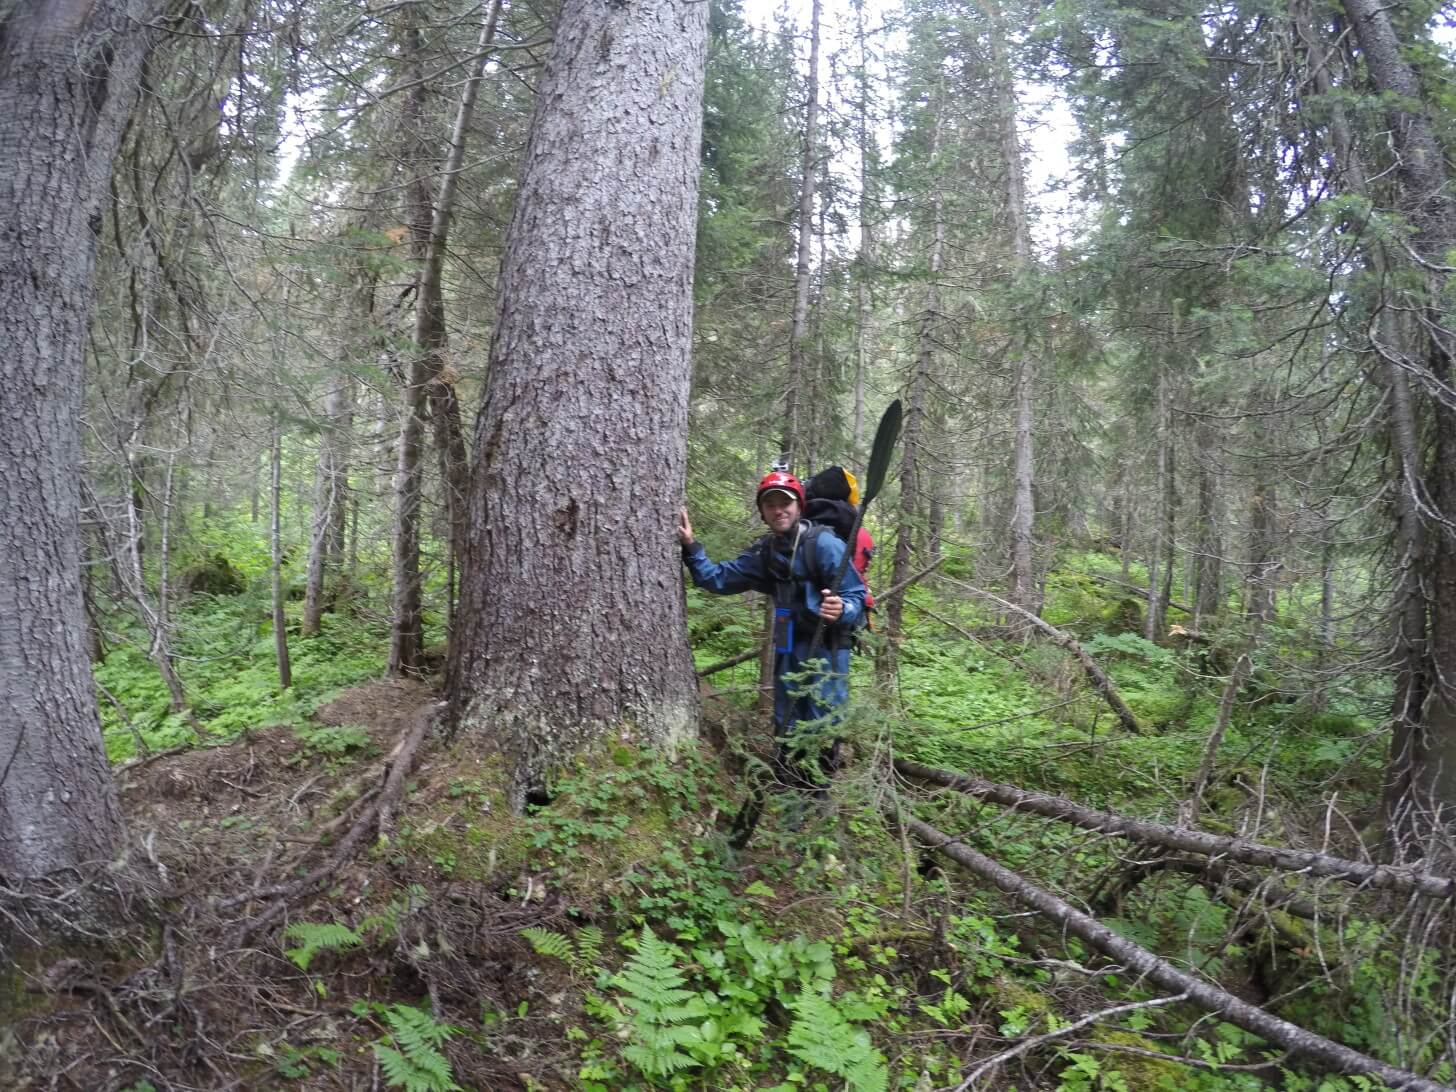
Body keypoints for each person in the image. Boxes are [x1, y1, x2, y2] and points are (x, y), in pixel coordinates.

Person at [677, 471, 867, 798]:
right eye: (771, 505)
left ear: (799, 506)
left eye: (786, 503)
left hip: (827, 647)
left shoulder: (824, 544)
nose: (779, 510)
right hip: (789, 643)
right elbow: (717, 579)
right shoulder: (766, 551)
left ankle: (817, 793)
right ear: (763, 512)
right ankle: (787, 780)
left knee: (823, 718)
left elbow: (855, 596)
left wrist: (842, 609)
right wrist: (692, 547)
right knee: (786, 714)